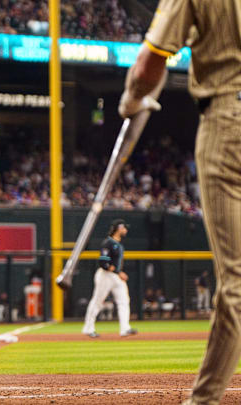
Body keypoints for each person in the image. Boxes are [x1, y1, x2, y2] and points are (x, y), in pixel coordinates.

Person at [119, 1, 241, 401]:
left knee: (237, 280)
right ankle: (204, 398)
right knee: (233, 281)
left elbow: (152, 58)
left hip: (229, 119)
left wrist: (131, 101)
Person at [82, 219, 137, 338]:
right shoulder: (108, 243)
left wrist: (117, 272)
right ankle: (88, 328)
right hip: (105, 275)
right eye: (124, 228)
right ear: (119, 228)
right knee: (98, 301)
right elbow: (103, 263)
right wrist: (117, 271)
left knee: (124, 300)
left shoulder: (118, 244)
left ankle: (125, 328)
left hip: (116, 276)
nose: (126, 230)